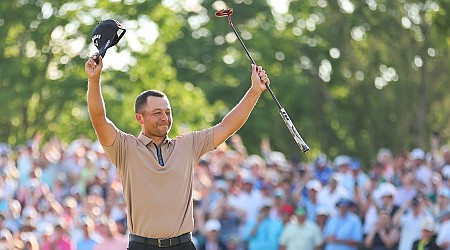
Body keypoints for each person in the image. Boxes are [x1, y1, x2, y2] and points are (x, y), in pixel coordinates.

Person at [85, 54, 270, 250]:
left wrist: (255, 91)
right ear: (140, 118)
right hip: (142, 246)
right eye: (157, 113)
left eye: (167, 112)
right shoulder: (124, 148)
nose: (164, 118)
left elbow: (226, 127)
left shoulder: (187, 145)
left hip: (183, 245)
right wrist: (94, 79)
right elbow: (99, 119)